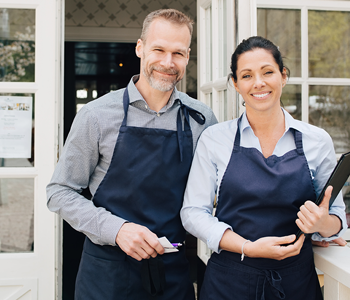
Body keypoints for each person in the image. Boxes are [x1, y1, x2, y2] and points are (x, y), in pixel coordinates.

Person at [47, 9, 217, 300]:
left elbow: (220, 191)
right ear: (140, 48)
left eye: (177, 53)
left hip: (173, 272)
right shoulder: (97, 115)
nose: (167, 62)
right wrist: (118, 230)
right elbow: (59, 192)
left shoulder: (201, 118)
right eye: (158, 49)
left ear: (188, 56)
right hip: (107, 275)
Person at [181, 36, 347, 300]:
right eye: (246, 75)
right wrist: (248, 247)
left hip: (296, 284)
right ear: (235, 84)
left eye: (267, 72)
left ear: (283, 76)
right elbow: (192, 213)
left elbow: (335, 218)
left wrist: (322, 223)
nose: (258, 83)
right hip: (229, 281)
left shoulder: (317, 140)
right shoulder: (215, 139)